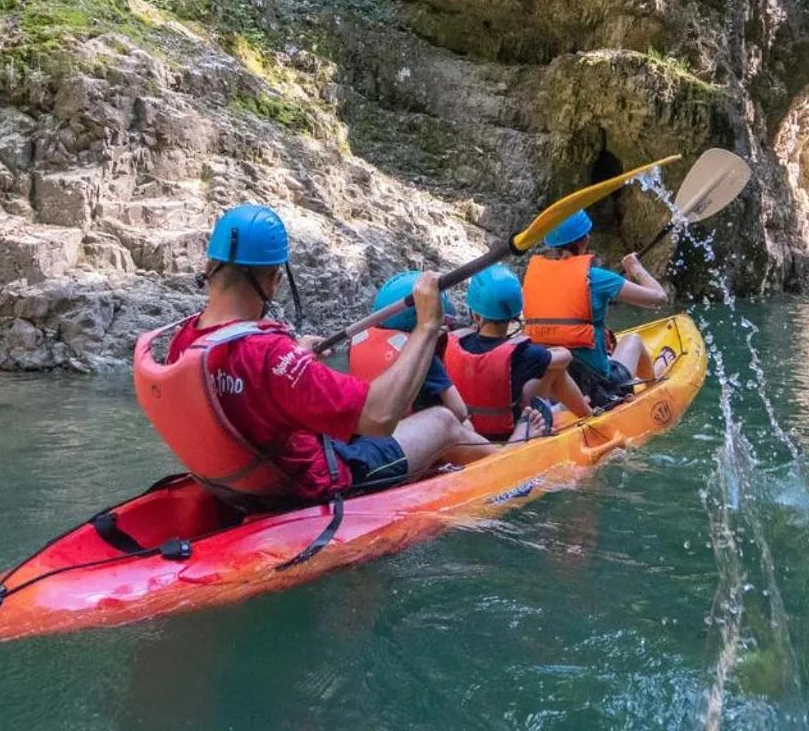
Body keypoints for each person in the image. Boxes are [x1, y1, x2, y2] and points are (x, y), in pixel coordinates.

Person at [147, 205, 490, 506]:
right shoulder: (271, 356)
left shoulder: (185, 340)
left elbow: (252, 382)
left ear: (211, 266)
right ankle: (511, 463)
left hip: (242, 484)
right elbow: (379, 418)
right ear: (273, 280)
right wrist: (427, 326)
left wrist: (296, 358)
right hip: (316, 483)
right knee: (444, 421)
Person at [521, 209, 669, 409]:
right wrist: (635, 267)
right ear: (585, 239)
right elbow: (659, 298)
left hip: (554, 387)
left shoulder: (533, 280)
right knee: (633, 341)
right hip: (598, 389)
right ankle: (653, 384)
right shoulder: (597, 278)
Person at [445, 264, 591, 438]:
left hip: (469, 428)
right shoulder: (525, 353)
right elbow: (566, 358)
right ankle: (589, 415)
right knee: (555, 370)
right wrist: (546, 350)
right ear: (515, 313)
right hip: (509, 431)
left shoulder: (453, 343)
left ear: (476, 315)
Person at [347, 271, 470, 425]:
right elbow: (460, 412)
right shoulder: (421, 356)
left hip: (366, 425)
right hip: (404, 431)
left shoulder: (356, 341)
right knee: (467, 425)